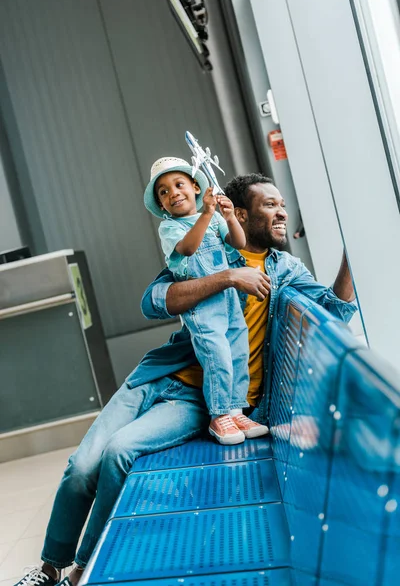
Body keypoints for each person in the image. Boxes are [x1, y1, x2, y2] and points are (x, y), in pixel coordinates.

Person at [15, 173, 356, 586]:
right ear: (241, 214)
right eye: (270, 204)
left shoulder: (284, 268)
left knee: (119, 452)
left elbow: (335, 311)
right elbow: (155, 301)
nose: (282, 211)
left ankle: (81, 570)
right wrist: (229, 277)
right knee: (81, 465)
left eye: (281, 203)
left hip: (200, 399)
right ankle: (49, 567)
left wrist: (351, 254)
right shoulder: (205, 249)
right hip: (158, 375)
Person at [144, 157, 268, 444]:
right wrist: (207, 213)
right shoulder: (170, 229)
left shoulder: (214, 218)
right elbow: (188, 249)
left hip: (228, 300)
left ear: (196, 187)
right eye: (163, 192)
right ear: (161, 205)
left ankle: (236, 410)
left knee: (237, 350)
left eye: (179, 184)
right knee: (217, 355)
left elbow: (237, 243)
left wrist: (228, 217)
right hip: (202, 307)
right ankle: (219, 415)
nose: (173, 193)